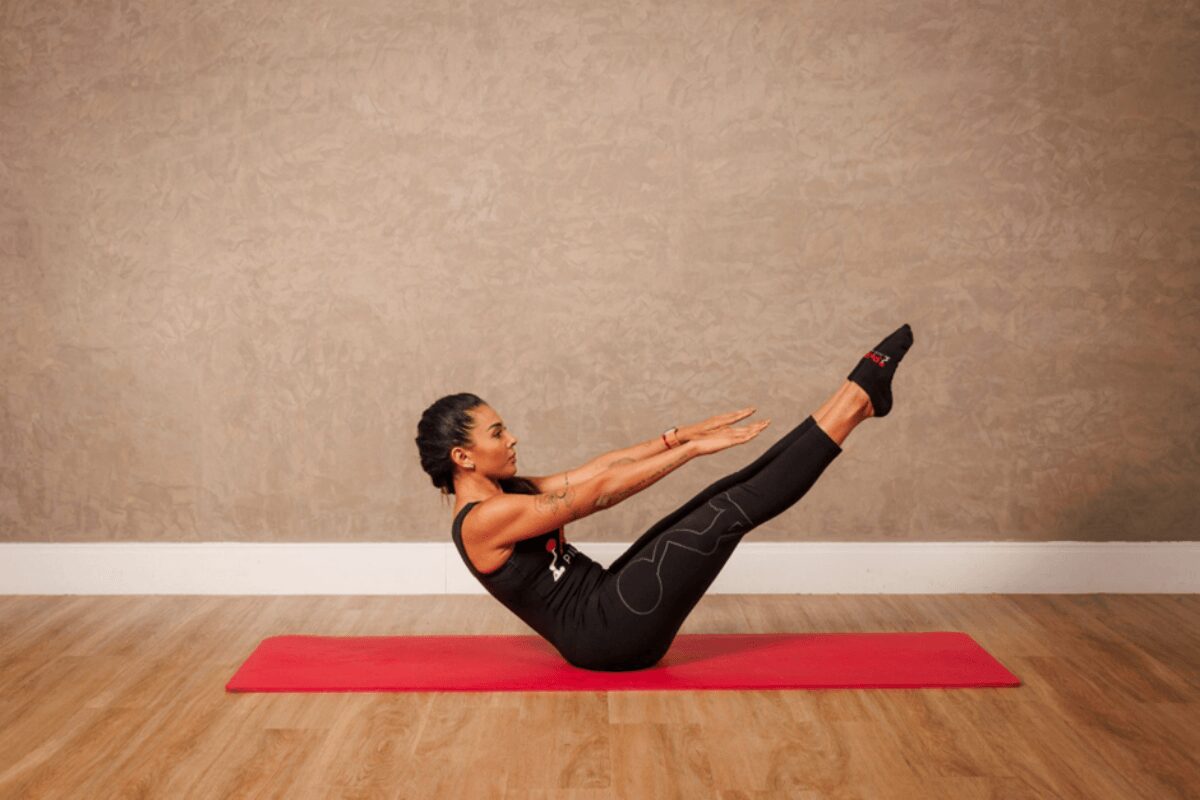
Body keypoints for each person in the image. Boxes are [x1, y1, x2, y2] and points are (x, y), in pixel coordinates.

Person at [415, 324, 914, 671]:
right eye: (497, 434)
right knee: (728, 511)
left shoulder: (509, 494)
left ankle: (858, 400)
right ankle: (856, 401)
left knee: (718, 498)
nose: (512, 440)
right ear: (464, 457)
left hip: (611, 607)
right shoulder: (483, 520)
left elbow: (597, 469)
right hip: (609, 637)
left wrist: (675, 437)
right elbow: (598, 494)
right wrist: (692, 451)